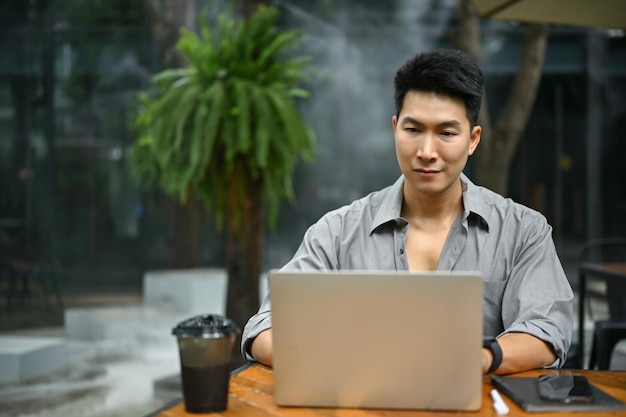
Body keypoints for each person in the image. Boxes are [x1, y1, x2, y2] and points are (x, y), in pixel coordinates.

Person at [241, 48, 574, 375]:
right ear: (395, 128)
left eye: (446, 133)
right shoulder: (338, 232)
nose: (427, 152)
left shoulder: (522, 230)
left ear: (473, 140)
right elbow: (264, 329)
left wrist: (479, 359)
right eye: (413, 130)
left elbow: (548, 330)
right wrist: (347, 358)